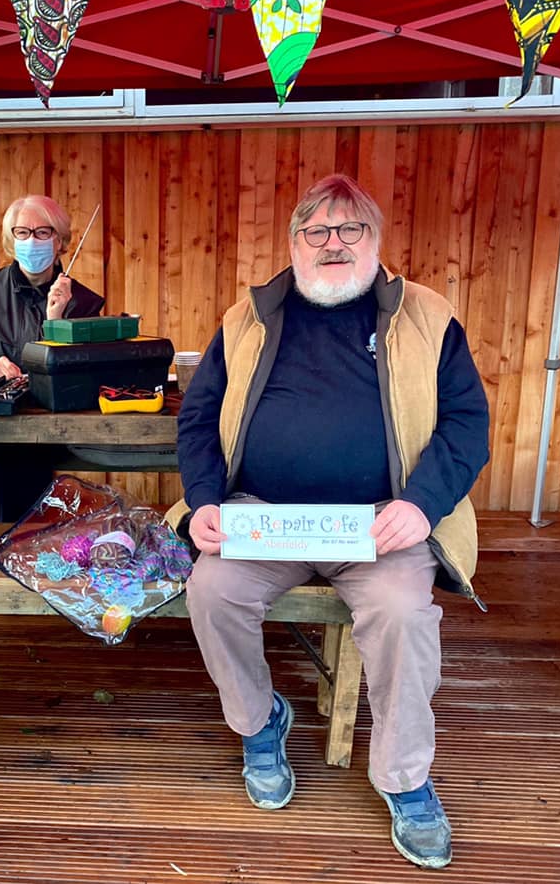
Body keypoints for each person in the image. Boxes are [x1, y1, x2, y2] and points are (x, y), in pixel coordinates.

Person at [167, 174, 489, 869]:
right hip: (263, 516)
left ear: (376, 241)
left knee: (405, 613)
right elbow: (198, 418)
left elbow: (468, 424)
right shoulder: (246, 318)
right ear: (294, 241)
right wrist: (204, 502)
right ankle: (260, 726)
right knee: (211, 591)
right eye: (317, 230)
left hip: (380, 521)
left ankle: (406, 780)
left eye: (351, 230)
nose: (333, 244)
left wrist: (420, 505)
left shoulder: (428, 317)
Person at [0, 194, 104, 521]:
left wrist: (56, 322)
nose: (32, 241)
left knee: (29, 462)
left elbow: (86, 375)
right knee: (7, 465)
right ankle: (15, 538)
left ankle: (25, 539)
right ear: (10, 241)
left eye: (43, 232)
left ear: (61, 242)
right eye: (22, 233)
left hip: (57, 428)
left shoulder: (84, 303)